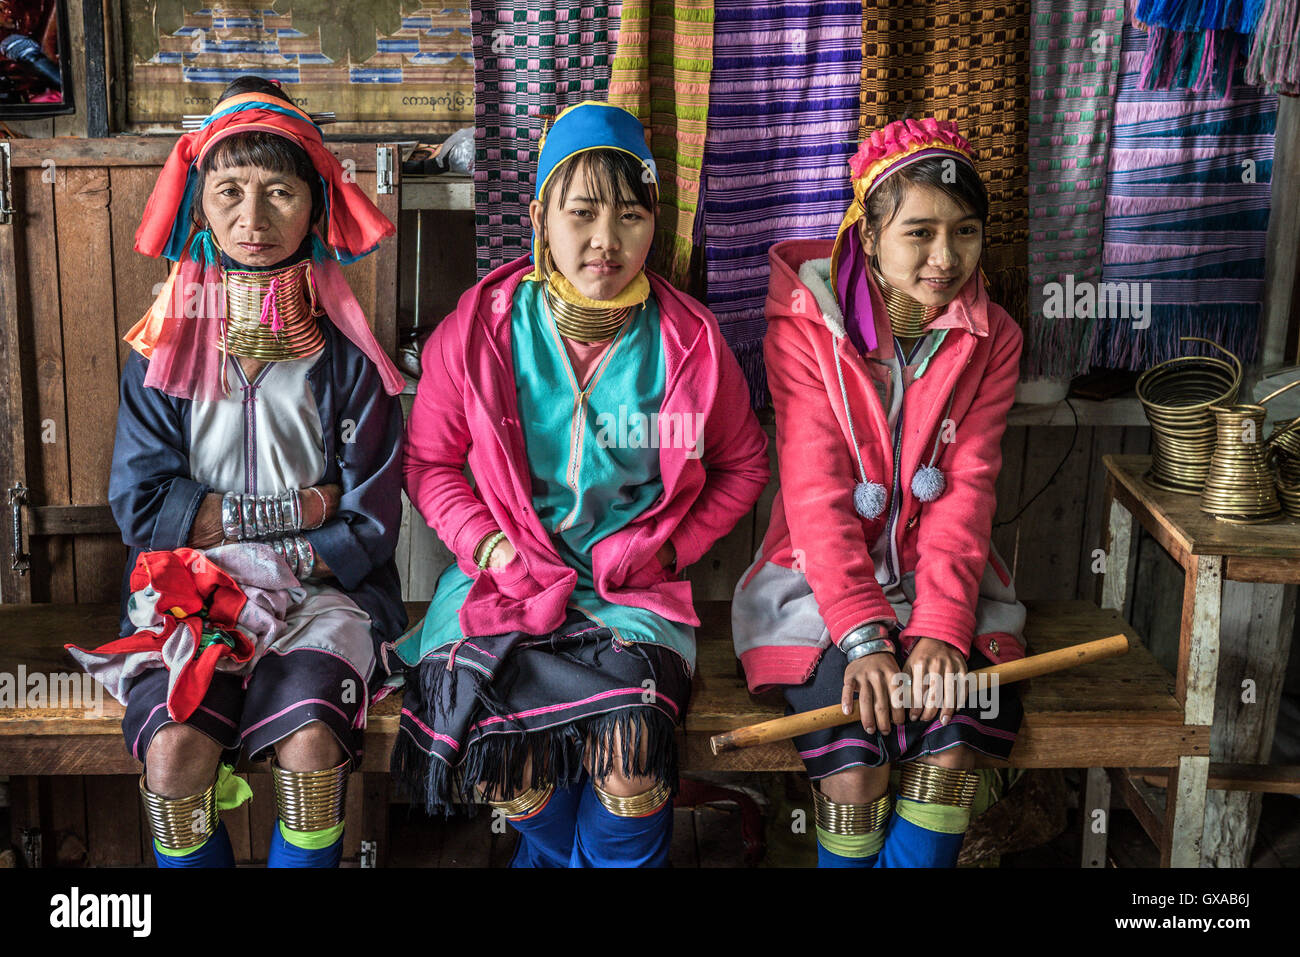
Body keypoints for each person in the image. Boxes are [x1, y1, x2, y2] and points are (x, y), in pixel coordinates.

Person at [393, 100, 769, 867]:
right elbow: (430, 466)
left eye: (631, 216)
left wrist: (669, 552)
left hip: (630, 593)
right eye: (583, 212)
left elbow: (744, 465)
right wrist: (489, 546)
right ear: (539, 215)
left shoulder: (688, 343)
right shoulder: (479, 329)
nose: (606, 240)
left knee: (631, 763)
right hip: (504, 584)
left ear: (654, 222)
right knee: (504, 760)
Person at [67, 75, 407, 868]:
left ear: (316, 208)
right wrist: (303, 504)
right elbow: (143, 511)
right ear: (200, 208)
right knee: (174, 758)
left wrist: (255, 536)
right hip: (186, 599)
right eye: (229, 192)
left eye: (279, 193)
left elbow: (365, 525)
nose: (252, 220)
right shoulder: (159, 359)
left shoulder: (352, 367)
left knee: (315, 744)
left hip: (323, 600)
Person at [732, 117, 1027, 868]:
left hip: (948, 585)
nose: (945, 257)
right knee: (857, 754)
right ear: (868, 235)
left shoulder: (993, 338)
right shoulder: (803, 327)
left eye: (965, 232)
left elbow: (966, 495)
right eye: (919, 233)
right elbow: (814, 490)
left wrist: (940, 630)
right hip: (814, 585)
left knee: (952, 739)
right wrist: (865, 636)